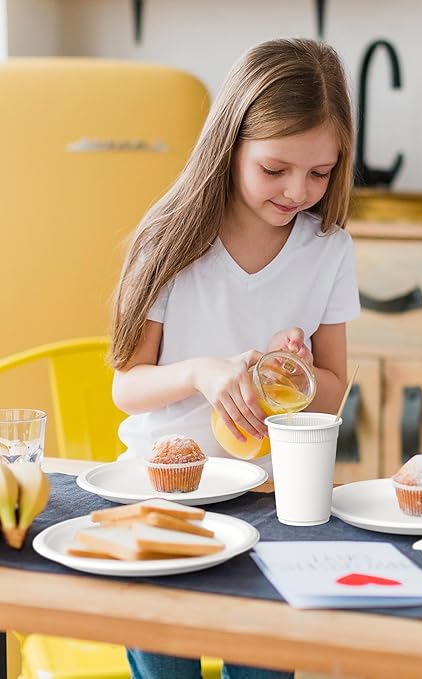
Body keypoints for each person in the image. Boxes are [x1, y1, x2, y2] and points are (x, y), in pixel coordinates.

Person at [109, 37, 359, 679]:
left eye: (320, 173)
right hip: (165, 501)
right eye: (275, 169)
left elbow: (335, 388)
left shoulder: (328, 249)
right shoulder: (170, 241)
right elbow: (127, 387)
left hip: (273, 498)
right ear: (230, 145)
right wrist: (202, 371)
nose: (298, 190)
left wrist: (296, 375)